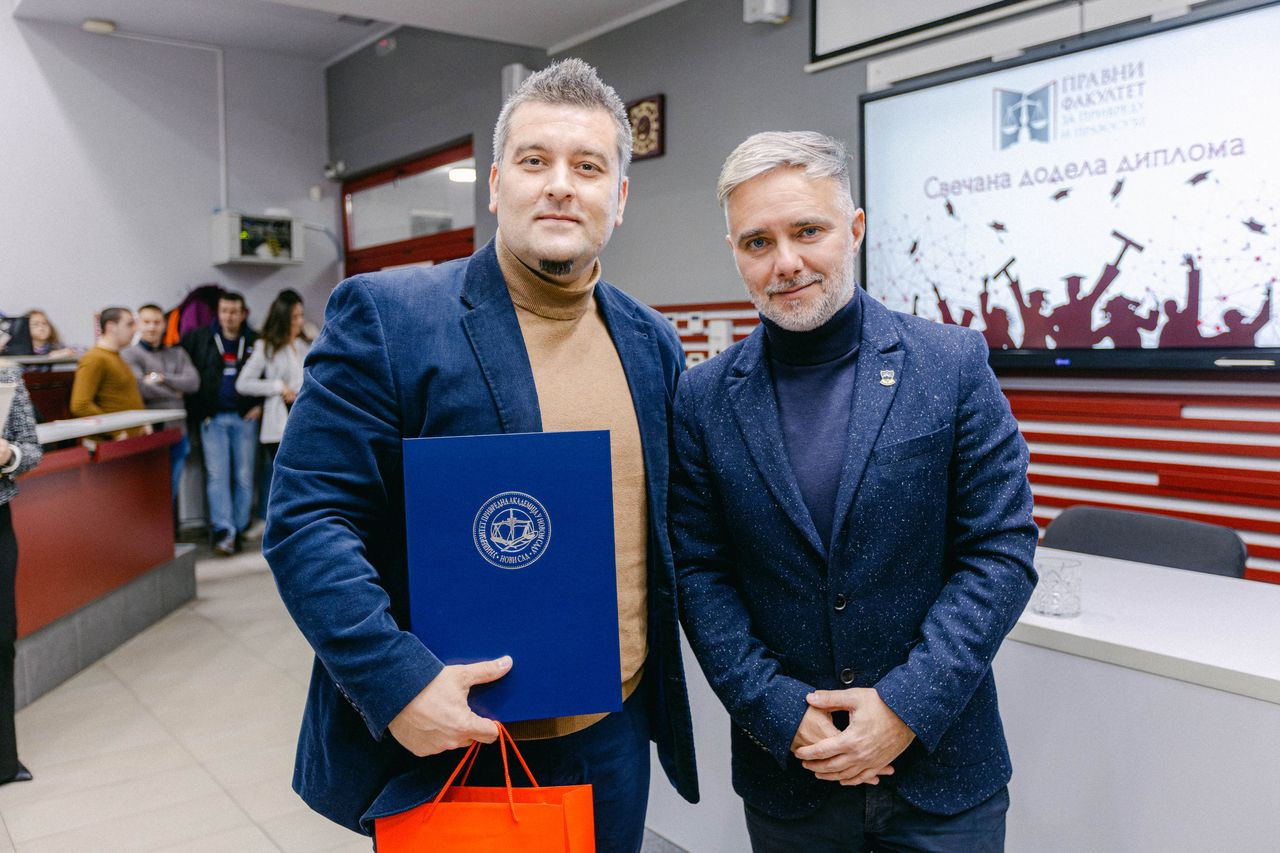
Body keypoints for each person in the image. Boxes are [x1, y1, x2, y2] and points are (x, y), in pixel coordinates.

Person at [263, 59, 698, 850]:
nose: (560, 185)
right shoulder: (393, 317)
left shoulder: (651, 342)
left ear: (620, 197)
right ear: (496, 185)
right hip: (459, 742)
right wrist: (397, 682)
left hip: (614, 737)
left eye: (588, 166)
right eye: (535, 160)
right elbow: (308, 520)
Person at [670, 132, 1037, 852]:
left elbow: (1000, 548)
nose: (786, 262)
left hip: (943, 774)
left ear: (856, 228)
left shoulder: (950, 363)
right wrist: (779, 711)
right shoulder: (703, 397)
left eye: (808, 231)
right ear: (734, 251)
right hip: (792, 776)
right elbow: (698, 572)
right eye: (758, 242)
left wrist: (906, 705)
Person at [180, 292, 261, 556]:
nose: (229, 316)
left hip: (245, 417)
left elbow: (268, 373)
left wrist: (259, 406)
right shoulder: (200, 338)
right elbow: (189, 376)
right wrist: (200, 410)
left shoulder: (254, 340)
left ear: (243, 314)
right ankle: (224, 532)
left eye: (234, 311)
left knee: (244, 476)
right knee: (217, 476)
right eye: (224, 311)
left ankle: (239, 527)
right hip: (212, 418)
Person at [0, 364, 42, 786]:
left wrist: (9, 455)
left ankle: (4, 760)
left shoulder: (6, 377)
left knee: (1, 636)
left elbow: (31, 447)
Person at [235, 289, 309, 519]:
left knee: (305, 480)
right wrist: (277, 386)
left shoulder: (304, 344)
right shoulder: (265, 347)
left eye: (301, 315)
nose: (299, 321)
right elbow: (243, 383)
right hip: (278, 423)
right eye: (294, 317)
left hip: (303, 419)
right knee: (283, 481)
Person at [122, 303, 200, 506]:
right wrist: (176, 392)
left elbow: (193, 383)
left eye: (157, 322)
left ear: (164, 324)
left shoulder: (177, 353)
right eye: (147, 322)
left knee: (171, 490)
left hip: (178, 430)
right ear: (138, 324)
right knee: (150, 492)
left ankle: (171, 528)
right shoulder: (129, 354)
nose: (152, 327)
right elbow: (140, 388)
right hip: (149, 432)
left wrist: (162, 378)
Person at [69, 307, 150, 439]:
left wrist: (142, 423)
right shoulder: (94, 358)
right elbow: (80, 405)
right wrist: (115, 431)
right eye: (129, 324)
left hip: (131, 440)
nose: (135, 329)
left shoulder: (115, 356)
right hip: (113, 443)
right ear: (111, 327)